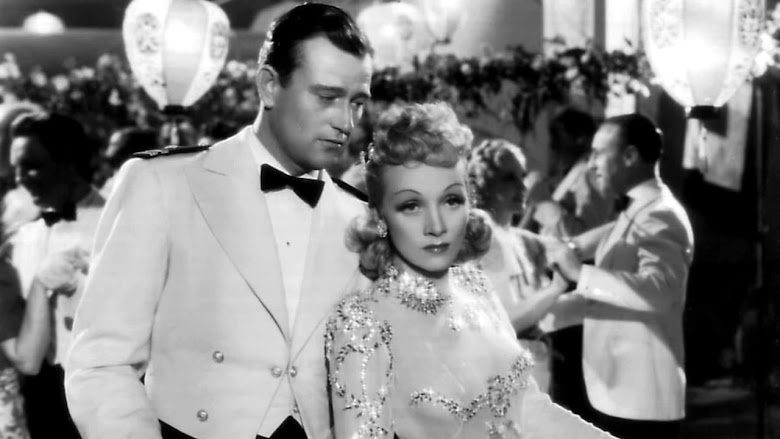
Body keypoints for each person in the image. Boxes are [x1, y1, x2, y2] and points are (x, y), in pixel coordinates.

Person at [65, 4, 372, 439]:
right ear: (269, 86)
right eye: (326, 97)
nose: (345, 122)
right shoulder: (164, 183)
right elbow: (101, 361)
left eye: (356, 103)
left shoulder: (358, 216)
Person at [326, 102, 615, 439]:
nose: (436, 225)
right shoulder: (363, 321)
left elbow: (529, 408)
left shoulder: (476, 286)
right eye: (411, 205)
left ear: (470, 202)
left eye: (451, 200)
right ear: (381, 217)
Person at [543, 113, 694, 439]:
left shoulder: (661, 214)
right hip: (617, 392)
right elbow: (612, 298)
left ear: (629, 156)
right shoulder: (636, 212)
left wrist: (578, 272)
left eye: (599, 153)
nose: (591, 164)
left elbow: (660, 292)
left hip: (641, 398)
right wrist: (544, 314)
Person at [8, 111, 104, 439]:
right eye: (16, 168)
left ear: (68, 161)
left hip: (102, 398)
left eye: (31, 165)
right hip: (37, 400)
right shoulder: (24, 236)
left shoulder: (118, 224)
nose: (20, 178)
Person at [467, 138, 568, 392]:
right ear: (484, 183)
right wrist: (554, 290)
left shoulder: (517, 238)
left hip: (532, 371)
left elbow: (571, 248)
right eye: (509, 178)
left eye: (522, 177)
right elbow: (496, 326)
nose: (522, 186)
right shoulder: (478, 239)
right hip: (499, 376)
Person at [523, 107, 613, 238]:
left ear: (580, 138)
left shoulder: (591, 173)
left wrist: (544, 200)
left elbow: (586, 235)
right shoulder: (571, 173)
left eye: (558, 136)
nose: (553, 145)